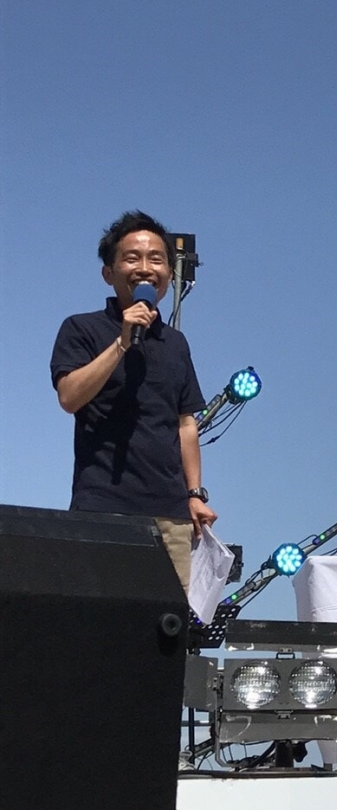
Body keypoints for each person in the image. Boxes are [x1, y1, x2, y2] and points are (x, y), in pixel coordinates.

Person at [50, 210, 215, 590]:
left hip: (170, 515)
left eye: (156, 259)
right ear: (108, 273)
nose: (145, 268)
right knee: (99, 616)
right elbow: (69, 397)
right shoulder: (81, 328)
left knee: (165, 620)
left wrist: (194, 494)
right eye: (132, 258)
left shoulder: (176, 343)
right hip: (102, 509)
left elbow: (185, 423)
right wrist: (121, 343)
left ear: (168, 273)